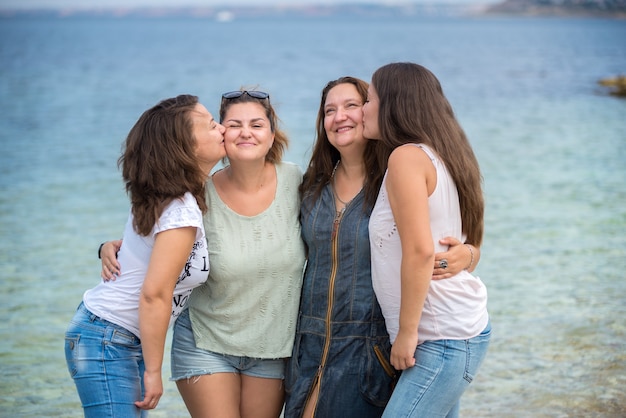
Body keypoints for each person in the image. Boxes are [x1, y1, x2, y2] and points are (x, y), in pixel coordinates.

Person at [284, 77, 481, 418]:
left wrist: (468, 254)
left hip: (373, 352)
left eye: (351, 106)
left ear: (373, 111)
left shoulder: (396, 180)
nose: (339, 116)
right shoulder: (311, 187)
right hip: (311, 346)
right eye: (329, 110)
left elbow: (443, 239)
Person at [64, 94, 226, 417]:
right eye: (211, 125)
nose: (221, 128)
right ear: (186, 146)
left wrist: (106, 247)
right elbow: (154, 295)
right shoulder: (180, 210)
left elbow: (137, 250)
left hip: (108, 335)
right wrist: (155, 371)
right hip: (110, 340)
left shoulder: (169, 197)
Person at [363, 62, 491, 418]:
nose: (362, 109)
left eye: (369, 99)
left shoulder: (406, 157)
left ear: (394, 104)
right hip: (453, 332)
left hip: (440, 337)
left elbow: (420, 251)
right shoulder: (441, 155)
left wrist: (406, 334)